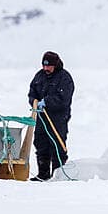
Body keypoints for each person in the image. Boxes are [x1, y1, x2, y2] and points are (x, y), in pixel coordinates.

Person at [27, 50, 75, 181]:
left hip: (58, 118)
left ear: (55, 65)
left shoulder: (64, 78)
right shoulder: (39, 76)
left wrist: (47, 102)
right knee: (41, 143)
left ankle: (57, 174)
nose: (46, 68)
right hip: (42, 117)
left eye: (49, 66)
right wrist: (35, 102)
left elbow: (63, 98)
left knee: (57, 145)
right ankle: (43, 173)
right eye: (44, 65)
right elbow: (32, 93)